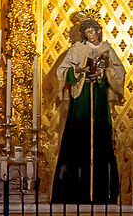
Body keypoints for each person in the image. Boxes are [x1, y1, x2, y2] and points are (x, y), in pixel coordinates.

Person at [50, 12, 123, 204]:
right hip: (81, 100)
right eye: (87, 32)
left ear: (98, 31)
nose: (91, 35)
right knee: (77, 141)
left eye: (93, 31)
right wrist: (78, 71)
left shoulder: (107, 49)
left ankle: (103, 193)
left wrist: (103, 74)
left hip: (99, 100)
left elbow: (119, 70)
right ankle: (75, 192)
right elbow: (62, 71)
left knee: (101, 141)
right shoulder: (77, 49)